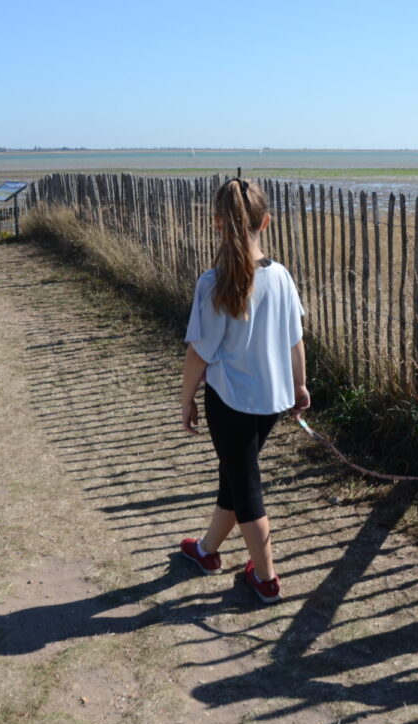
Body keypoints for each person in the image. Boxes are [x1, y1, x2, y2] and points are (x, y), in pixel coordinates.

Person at [179, 177, 310, 603]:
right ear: (266, 222)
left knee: (247, 488)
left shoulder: (213, 283)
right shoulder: (282, 277)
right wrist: (300, 385)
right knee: (234, 480)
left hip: (230, 403)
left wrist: (186, 401)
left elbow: (198, 355)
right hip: (269, 403)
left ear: (217, 224)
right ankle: (206, 551)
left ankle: (266, 578)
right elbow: (295, 340)